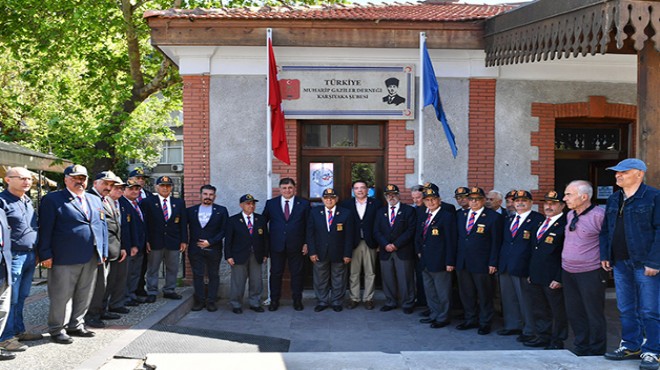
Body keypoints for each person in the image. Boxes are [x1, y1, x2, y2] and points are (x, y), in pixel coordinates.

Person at [37, 164, 108, 344]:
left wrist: (103, 250)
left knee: (85, 293)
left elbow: (102, 227)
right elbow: (45, 229)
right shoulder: (53, 200)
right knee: (61, 295)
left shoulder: (94, 200)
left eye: (83, 178)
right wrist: (45, 254)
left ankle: (76, 324)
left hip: (91, 255)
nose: (80, 181)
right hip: (64, 256)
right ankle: (57, 328)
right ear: (66, 179)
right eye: (75, 178)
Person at [600, 158, 659, 370]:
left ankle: (653, 350)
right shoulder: (614, 199)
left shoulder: (654, 196)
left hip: (645, 263)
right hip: (620, 262)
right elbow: (606, 229)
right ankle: (631, 345)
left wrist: (655, 261)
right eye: (616, 172)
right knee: (625, 308)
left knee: (650, 309)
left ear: (639, 174)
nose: (618, 175)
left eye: (623, 172)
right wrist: (605, 254)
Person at [562, 180, 607, 356]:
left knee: (593, 313)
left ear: (584, 197)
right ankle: (581, 346)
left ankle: (596, 351)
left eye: (568, 194)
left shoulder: (599, 215)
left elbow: (608, 240)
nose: (565, 198)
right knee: (575, 312)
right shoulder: (570, 215)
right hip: (568, 271)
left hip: (591, 272)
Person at [0, 167, 41, 352]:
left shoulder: (26, 200)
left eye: (29, 179)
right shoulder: (2, 201)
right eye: (22, 178)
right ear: (8, 180)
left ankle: (18, 330)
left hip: (30, 254)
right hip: (13, 256)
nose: (27, 182)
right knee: (10, 298)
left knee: (22, 296)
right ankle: (5, 338)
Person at [454, 187, 503, 335]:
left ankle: (485, 322)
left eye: (477, 199)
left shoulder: (493, 217)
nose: (474, 202)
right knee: (467, 293)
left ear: (483, 200)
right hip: (463, 261)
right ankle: (470, 319)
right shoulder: (461, 215)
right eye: (471, 199)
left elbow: (496, 242)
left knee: (484, 294)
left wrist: (493, 262)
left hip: (482, 263)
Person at [497, 190, 544, 343]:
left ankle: (530, 329)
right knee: (509, 298)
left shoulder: (537, 219)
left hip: (523, 266)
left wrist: (533, 269)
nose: (520, 203)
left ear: (531, 203)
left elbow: (535, 247)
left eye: (524, 200)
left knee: (526, 300)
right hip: (506, 265)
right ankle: (512, 325)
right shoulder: (509, 218)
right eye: (517, 201)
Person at [526, 191, 568, 350]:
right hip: (537, 274)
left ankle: (557, 340)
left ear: (562, 205)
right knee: (540, 308)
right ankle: (543, 336)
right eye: (546, 203)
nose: (548, 206)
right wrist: (531, 273)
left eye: (553, 203)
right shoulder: (541, 222)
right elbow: (534, 250)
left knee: (557, 311)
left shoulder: (564, 224)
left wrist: (559, 277)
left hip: (553, 277)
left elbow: (565, 253)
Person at [263, 178, 310, 312]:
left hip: (297, 246)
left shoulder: (304, 203)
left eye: (290, 188)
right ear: (279, 189)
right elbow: (262, 222)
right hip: (276, 245)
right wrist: (266, 243)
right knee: (276, 273)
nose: (287, 190)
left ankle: (297, 300)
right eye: (284, 188)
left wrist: (306, 243)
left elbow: (309, 225)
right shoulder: (271, 204)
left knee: (297, 274)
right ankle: (274, 300)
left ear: (294, 188)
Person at [416, 186, 457, 328]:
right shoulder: (424, 215)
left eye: (433, 199)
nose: (430, 202)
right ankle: (434, 314)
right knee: (430, 291)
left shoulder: (447, 216)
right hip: (426, 261)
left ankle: (443, 317)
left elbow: (451, 241)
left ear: (439, 200)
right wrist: (419, 251)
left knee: (443, 292)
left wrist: (450, 261)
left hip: (441, 261)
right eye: (427, 200)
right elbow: (419, 237)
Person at [142, 176, 188, 303]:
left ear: (171, 187)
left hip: (173, 241)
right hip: (154, 241)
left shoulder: (179, 202)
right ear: (157, 187)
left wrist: (184, 240)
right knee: (153, 268)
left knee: (172, 267)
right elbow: (145, 223)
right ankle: (152, 291)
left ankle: (169, 289)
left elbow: (183, 223)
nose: (165, 188)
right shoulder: (148, 202)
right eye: (162, 186)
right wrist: (146, 240)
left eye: (168, 186)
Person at [307, 188, 354, 312]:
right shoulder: (314, 212)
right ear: (322, 199)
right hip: (319, 252)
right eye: (326, 198)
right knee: (320, 278)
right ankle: (322, 301)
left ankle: (336, 301)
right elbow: (310, 234)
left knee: (338, 278)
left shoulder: (345, 213)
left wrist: (347, 253)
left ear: (336, 199)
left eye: (332, 198)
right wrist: (312, 252)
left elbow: (349, 236)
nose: (329, 200)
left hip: (339, 252)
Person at [85, 171, 121, 328]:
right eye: (105, 183)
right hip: (95, 251)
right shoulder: (89, 199)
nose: (108, 187)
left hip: (108, 249)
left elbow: (113, 225)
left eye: (111, 184)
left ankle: (101, 310)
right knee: (96, 285)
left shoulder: (108, 200)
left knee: (105, 284)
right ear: (95, 183)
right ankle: (91, 315)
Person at [374, 184, 416, 314]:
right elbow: (376, 231)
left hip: (402, 250)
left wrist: (396, 244)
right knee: (388, 278)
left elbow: (410, 230)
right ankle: (390, 302)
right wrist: (385, 244)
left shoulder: (408, 210)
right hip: (385, 250)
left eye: (393, 194)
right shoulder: (380, 211)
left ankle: (407, 303)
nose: (391, 197)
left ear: (398, 195)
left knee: (405, 278)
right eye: (388, 195)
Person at [186, 185, 228, 312]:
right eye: (205, 194)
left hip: (214, 249)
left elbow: (224, 230)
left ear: (214, 196)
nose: (207, 197)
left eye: (211, 195)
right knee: (198, 275)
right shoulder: (191, 211)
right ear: (200, 195)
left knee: (213, 275)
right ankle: (199, 301)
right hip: (195, 249)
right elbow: (183, 228)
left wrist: (210, 241)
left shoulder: (221, 210)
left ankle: (211, 301)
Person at [224, 194, 268, 314]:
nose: (251, 206)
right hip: (238, 256)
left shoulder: (261, 219)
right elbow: (228, 240)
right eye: (248, 203)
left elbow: (265, 238)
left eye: (253, 203)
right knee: (238, 282)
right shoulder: (233, 220)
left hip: (256, 255)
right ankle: (236, 304)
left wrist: (265, 254)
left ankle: (255, 303)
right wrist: (228, 256)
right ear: (241, 205)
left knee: (256, 281)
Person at [341, 180, 379, 310]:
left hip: (370, 242)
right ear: (353, 190)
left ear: (368, 190)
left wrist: (378, 242)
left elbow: (379, 224)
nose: (360, 190)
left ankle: (368, 298)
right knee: (354, 272)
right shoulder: (346, 204)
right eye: (357, 188)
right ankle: (354, 298)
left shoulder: (376, 204)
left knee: (370, 272)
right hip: (353, 242)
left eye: (362, 188)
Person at [102, 179, 134, 316]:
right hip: (108, 248)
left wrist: (126, 247)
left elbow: (125, 228)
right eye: (117, 188)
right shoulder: (103, 202)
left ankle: (116, 304)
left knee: (120, 278)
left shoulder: (121, 204)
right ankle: (102, 308)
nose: (120, 191)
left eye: (122, 188)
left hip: (121, 248)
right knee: (106, 281)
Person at [120, 179, 147, 307]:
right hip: (130, 246)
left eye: (137, 189)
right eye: (131, 189)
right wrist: (130, 245)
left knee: (135, 273)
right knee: (126, 274)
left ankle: (131, 295)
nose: (135, 191)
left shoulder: (137, 204)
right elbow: (125, 228)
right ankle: (124, 297)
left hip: (139, 245)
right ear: (124, 190)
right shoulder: (122, 204)